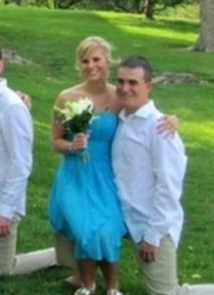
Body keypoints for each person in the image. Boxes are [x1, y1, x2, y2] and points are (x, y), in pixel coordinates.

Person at [112, 55, 214, 295]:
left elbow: (169, 187)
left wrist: (153, 235)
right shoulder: (122, 117)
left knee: (167, 293)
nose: (125, 88)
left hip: (150, 221)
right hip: (121, 213)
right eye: (121, 81)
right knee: (86, 238)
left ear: (149, 86)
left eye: (133, 83)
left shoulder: (160, 129)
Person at [49, 38, 179, 295]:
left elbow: (147, 113)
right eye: (85, 61)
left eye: (96, 59)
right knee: (85, 228)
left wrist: (174, 119)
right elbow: (55, 141)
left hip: (105, 175)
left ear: (108, 60)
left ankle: (112, 288)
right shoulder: (66, 97)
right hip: (76, 173)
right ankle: (87, 283)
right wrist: (72, 145)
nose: (91, 65)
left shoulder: (118, 97)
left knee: (106, 230)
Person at [0, 41, 58, 276]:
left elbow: (21, 163)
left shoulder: (11, 106)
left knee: (2, 270)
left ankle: (63, 254)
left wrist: (5, 211)